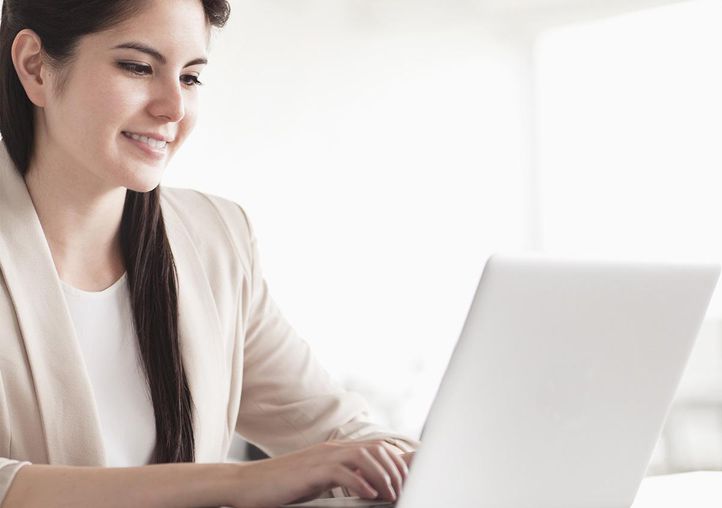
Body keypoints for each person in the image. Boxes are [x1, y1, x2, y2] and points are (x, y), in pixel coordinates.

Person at [0, 0, 419, 506]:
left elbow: (336, 431)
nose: (173, 107)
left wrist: (426, 460)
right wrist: (240, 482)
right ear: (34, 66)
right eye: (137, 67)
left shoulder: (216, 240)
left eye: (191, 77)